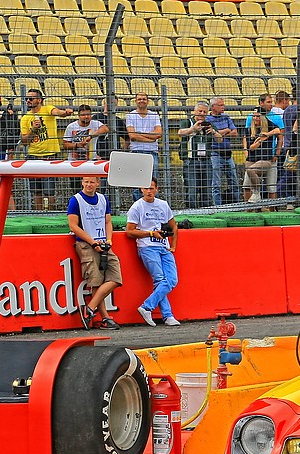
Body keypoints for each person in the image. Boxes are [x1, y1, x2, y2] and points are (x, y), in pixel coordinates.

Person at [67, 175, 121, 330]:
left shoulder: (103, 199)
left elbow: (108, 221)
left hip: (103, 243)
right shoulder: (75, 200)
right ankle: (105, 318)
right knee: (96, 281)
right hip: (86, 244)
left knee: (115, 278)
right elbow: (73, 226)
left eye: (91, 182)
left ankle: (89, 308)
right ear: (82, 182)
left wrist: (108, 240)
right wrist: (92, 242)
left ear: (98, 183)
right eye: (86, 181)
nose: (88, 184)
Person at [125, 178, 181, 326]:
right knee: (160, 279)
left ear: (157, 189)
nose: (149, 191)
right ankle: (167, 315)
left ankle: (147, 307)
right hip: (147, 247)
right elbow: (130, 231)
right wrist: (150, 233)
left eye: (151, 188)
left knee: (172, 279)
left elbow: (174, 226)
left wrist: (173, 245)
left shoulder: (163, 205)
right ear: (141, 190)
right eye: (146, 188)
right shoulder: (136, 207)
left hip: (163, 247)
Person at [19, 88, 74, 211]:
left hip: (50, 155)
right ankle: (38, 213)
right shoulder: (25, 118)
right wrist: (33, 130)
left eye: (31, 98)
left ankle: (50, 212)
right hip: (33, 155)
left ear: (39, 100)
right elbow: (24, 141)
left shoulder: (47, 109)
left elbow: (57, 112)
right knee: (36, 191)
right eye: (27, 98)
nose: (28, 100)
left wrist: (65, 113)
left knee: (50, 190)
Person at [176, 101, 214, 209]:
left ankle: (206, 211)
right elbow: (180, 132)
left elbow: (220, 139)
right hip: (190, 160)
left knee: (207, 189)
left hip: (206, 160)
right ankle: (191, 211)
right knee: (191, 189)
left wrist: (214, 132)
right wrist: (193, 129)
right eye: (200, 111)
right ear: (194, 111)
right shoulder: (187, 122)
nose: (202, 113)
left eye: (204, 112)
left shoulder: (208, 124)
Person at [125, 92, 162, 201]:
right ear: (136, 101)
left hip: (152, 152)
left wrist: (139, 134)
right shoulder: (130, 115)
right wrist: (151, 138)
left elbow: (159, 133)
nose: (142, 101)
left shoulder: (154, 115)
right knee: (137, 182)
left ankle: (153, 204)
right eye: (139, 99)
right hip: (136, 151)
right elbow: (132, 136)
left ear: (148, 101)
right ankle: (138, 205)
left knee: (152, 181)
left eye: (144, 99)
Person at [205, 97, 239, 205]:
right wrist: (227, 130)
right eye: (220, 105)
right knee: (216, 183)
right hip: (215, 153)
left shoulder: (226, 117)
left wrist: (219, 133)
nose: (223, 107)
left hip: (228, 153)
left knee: (234, 181)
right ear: (213, 107)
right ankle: (218, 206)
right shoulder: (208, 119)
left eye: (223, 105)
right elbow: (210, 133)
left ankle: (237, 205)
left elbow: (235, 133)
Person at [243, 111, 282, 203]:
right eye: (254, 116)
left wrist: (267, 135)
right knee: (246, 185)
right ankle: (250, 205)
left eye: (257, 116)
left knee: (271, 187)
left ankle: (258, 193)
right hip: (252, 159)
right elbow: (251, 147)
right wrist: (260, 140)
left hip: (265, 159)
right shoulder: (249, 130)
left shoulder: (269, 126)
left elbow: (278, 130)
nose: (255, 118)